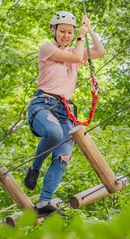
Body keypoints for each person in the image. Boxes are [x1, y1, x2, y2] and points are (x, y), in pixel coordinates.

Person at [25, 11, 106, 217]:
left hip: (65, 110)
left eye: (70, 32)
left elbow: (100, 51)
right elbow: (77, 56)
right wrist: (80, 35)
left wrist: (88, 28)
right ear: (53, 30)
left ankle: (44, 202)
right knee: (54, 133)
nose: (66, 36)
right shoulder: (48, 49)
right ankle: (34, 169)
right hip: (43, 105)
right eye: (62, 31)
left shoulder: (74, 51)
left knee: (63, 156)